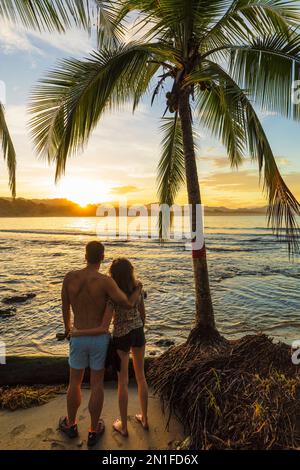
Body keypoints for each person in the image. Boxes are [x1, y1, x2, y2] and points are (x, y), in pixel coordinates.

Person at [59, 242, 142, 447]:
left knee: (74, 383)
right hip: (99, 338)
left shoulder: (70, 277)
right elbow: (126, 302)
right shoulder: (105, 282)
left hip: (78, 335)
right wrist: (138, 288)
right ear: (102, 257)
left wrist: (69, 329)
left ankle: (71, 425)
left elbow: (65, 305)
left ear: (85, 255)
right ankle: (93, 430)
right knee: (96, 384)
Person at [72, 257, 148, 437]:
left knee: (122, 382)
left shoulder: (112, 296)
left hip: (122, 336)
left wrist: (79, 332)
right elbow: (143, 315)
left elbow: (105, 325)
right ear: (130, 272)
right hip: (138, 332)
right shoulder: (138, 288)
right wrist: (137, 328)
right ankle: (144, 419)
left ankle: (123, 426)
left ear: (113, 275)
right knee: (141, 377)